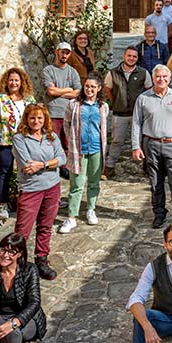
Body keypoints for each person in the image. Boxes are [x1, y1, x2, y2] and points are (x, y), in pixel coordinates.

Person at [132, 65, 172, 228]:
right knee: (155, 183)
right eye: (158, 76)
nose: (161, 79)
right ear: (153, 78)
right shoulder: (143, 98)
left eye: (165, 76)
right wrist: (136, 146)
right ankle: (159, 213)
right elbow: (136, 123)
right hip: (151, 145)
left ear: (169, 77)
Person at [11, 104, 66, 281]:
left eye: (40, 118)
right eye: (33, 118)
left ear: (45, 120)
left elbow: (63, 158)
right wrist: (51, 162)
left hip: (52, 187)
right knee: (22, 230)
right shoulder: (20, 139)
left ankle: (41, 259)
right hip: (31, 189)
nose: (36, 121)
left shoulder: (52, 136)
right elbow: (27, 165)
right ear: (26, 119)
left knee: (45, 226)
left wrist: (41, 164)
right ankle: (16, 262)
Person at [60, 73, 109, 234]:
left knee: (94, 182)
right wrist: (72, 141)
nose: (89, 89)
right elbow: (67, 125)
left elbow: (103, 128)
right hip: (78, 150)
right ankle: (72, 217)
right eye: (87, 86)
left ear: (99, 89)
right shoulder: (73, 105)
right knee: (76, 184)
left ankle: (91, 209)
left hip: (96, 149)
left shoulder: (103, 106)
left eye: (93, 87)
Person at [0, 68, 36, 219]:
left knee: (27, 171)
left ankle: (27, 203)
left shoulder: (29, 100)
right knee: (4, 173)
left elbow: (36, 119)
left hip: (26, 142)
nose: (14, 83)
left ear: (22, 82)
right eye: (11, 80)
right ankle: (3, 205)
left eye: (17, 80)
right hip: (4, 142)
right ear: (6, 82)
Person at [103, 45, 151, 178]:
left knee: (143, 141)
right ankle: (109, 167)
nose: (131, 58)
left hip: (139, 114)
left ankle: (147, 167)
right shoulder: (113, 73)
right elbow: (108, 89)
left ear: (137, 58)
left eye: (134, 56)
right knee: (117, 141)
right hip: (120, 113)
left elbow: (149, 89)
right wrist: (117, 102)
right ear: (124, 56)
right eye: (129, 55)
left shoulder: (143, 73)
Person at [41, 42, 82, 177]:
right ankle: (53, 167)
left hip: (69, 113)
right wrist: (68, 90)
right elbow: (50, 91)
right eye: (62, 52)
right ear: (56, 52)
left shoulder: (72, 71)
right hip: (53, 113)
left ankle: (65, 168)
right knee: (52, 142)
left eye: (67, 52)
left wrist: (60, 92)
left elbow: (77, 92)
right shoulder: (48, 70)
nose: (65, 55)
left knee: (67, 143)